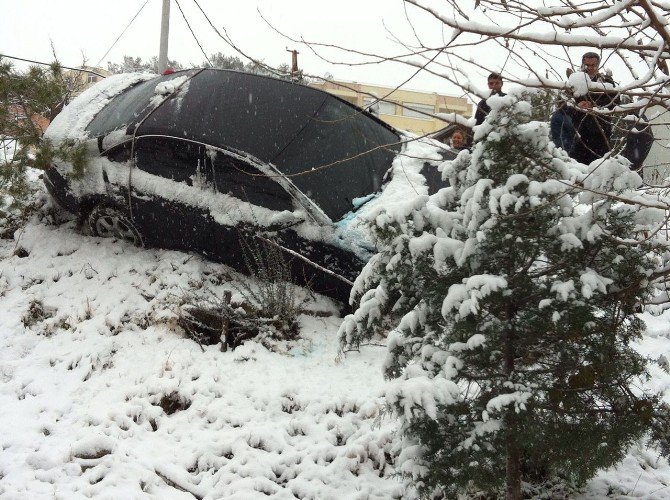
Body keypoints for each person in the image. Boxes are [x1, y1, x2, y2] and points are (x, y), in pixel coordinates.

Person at [570, 52, 619, 165]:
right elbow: (565, 103)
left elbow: (615, 102)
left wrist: (594, 105)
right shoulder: (576, 81)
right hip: (580, 133)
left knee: (600, 167)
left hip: (601, 133)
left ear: (598, 65)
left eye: (593, 65)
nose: (590, 68)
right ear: (583, 65)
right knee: (579, 169)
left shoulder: (607, 82)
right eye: (587, 65)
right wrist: (577, 106)